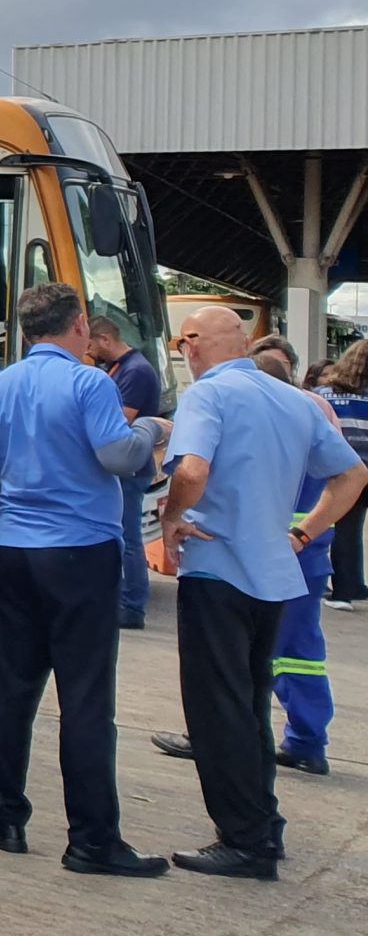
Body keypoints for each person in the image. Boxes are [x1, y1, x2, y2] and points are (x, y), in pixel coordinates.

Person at [0, 283, 169, 876]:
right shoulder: (90, 383)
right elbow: (118, 458)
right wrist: (152, 431)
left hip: (17, 553)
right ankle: (93, 840)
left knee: (14, 689)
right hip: (81, 552)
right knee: (85, 699)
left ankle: (5, 817)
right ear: (78, 325)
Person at [149, 307, 366, 878]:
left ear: (192, 344)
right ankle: (262, 825)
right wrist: (304, 532)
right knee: (249, 705)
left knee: (217, 709)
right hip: (274, 573)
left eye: (183, 340)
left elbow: (191, 470)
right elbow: (353, 476)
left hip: (218, 567)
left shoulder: (207, 396)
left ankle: (245, 839)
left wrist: (172, 516)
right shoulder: (297, 400)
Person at [88, 317, 165, 629]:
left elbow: (121, 420)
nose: (89, 353)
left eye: (91, 346)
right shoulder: (123, 368)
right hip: (128, 465)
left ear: (105, 339)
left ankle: (132, 605)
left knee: (127, 536)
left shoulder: (135, 371)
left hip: (131, 467)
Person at [315, 339, 368, 608]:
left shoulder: (323, 395)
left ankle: (344, 592)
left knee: (345, 530)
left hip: (343, 471)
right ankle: (357, 585)